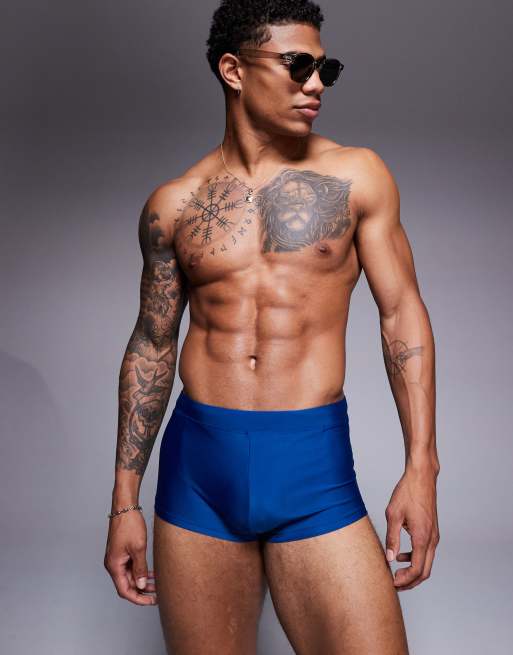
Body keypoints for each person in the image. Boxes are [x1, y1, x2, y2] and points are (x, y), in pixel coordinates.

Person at [104, 1, 440, 653]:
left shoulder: (355, 176)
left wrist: (421, 467)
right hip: (198, 471)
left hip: (310, 463)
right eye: (297, 65)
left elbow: (402, 314)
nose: (316, 84)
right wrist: (124, 502)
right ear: (233, 70)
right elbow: (151, 344)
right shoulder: (174, 204)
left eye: (325, 69)